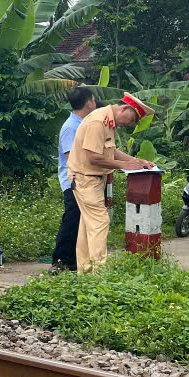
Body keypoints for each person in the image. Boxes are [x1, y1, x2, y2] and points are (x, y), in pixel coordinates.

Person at [67, 93, 155, 272]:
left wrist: (138, 162)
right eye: (132, 119)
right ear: (124, 108)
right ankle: (100, 272)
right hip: (86, 179)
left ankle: (85, 271)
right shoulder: (97, 122)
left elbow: (111, 151)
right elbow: (94, 157)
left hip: (93, 180)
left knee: (87, 226)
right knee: (100, 222)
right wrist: (125, 165)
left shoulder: (108, 122)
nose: (129, 124)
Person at [52, 86, 97, 272]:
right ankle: (60, 260)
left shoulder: (84, 124)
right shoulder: (71, 127)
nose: (95, 103)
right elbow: (73, 158)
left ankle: (73, 260)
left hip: (83, 181)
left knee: (80, 221)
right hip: (73, 181)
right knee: (72, 219)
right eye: (93, 100)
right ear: (88, 102)